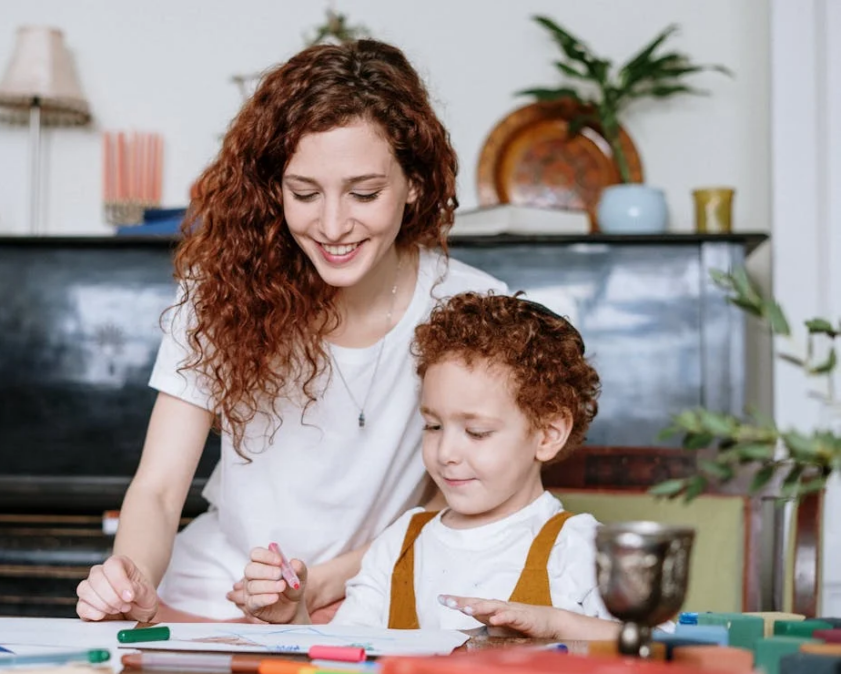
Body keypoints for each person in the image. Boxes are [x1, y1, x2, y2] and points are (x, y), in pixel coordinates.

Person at [75, 39, 506, 623]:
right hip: (213, 588)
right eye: (304, 193)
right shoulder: (218, 293)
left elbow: (454, 504)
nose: (332, 225)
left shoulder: (474, 309)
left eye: (365, 193)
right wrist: (131, 581)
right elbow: (156, 489)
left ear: (415, 185)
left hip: (378, 587)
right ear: (273, 190)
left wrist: (326, 584)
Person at [240, 292, 622, 640]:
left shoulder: (582, 547)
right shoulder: (401, 544)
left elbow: (656, 650)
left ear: (548, 434)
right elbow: (345, 655)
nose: (446, 452)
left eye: (476, 432)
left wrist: (557, 624)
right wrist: (295, 621)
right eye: (433, 426)